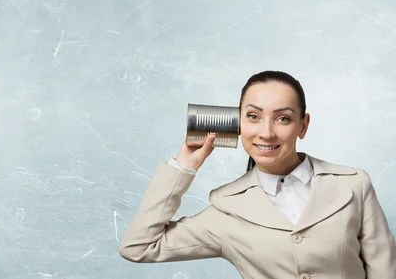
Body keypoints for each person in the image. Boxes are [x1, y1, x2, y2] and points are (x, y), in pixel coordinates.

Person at [118, 70, 396, 279]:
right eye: (253, 116)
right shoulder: (226, 210)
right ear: (237, 123)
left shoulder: (354, 185)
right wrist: (183, 167)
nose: (266, 132)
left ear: (303, 125)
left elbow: (385, 272)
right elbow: (139, 247)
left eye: (283, 118)